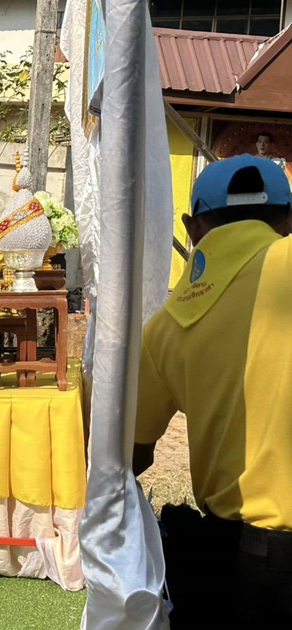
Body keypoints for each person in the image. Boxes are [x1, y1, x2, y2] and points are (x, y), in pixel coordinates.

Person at [131, 155, 292, 626]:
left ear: (192, 228)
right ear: (287, 218)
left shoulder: (164, 329)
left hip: (239, 563)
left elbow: (132, 457)